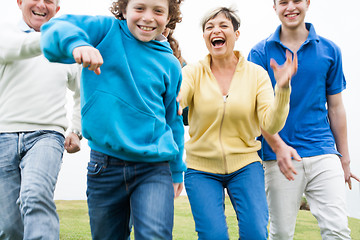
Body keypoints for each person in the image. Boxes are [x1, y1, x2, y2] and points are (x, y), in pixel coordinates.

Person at [40, 0, 186, 239]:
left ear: (169, 16)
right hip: (104, 167)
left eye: (158, 10)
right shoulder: (105, 31)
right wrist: (77, 44)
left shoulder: (171, 65)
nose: (148, 17)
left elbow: (174, 121)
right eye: (140, 8)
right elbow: (55, 29)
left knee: (155, 235)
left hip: (154, 168)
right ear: (125, 9)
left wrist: (177, 169)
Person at [180, 7, 297, 240]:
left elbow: (270, 124)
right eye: (209, 27)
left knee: (255, 233)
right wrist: (173, 102)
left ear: (236, 34)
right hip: (201, 168)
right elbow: (179, 98)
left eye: (223, 26)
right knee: (213, 236)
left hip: (245, 166)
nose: (216, 31)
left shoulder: (256, 74)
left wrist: (283, 89)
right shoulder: (193, 73)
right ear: (204, 37)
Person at [248, 0, 360, 239]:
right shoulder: (260, 53)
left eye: (296, 0)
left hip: (323, 151)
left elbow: (336, 108)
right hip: (279, 157)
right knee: (280, 234)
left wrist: (345, 159)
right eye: (283, 2)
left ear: (308, 2)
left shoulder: (330, 50)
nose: (290, 7)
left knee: (338, 230)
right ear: (274, 6)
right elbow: (257, 111)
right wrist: (278, 147)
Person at [0, 0, 82, 239]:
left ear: (57, 9)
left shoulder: (66, 49)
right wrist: (58, 37)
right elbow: (13, 49)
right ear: (19, 2)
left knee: (35, 195)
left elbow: (82, 92)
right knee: (8, 226)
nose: (41, 5)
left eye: (50, 1)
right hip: (3, 134)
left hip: (47, 136)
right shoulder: (6, 33)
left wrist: (76, 130)